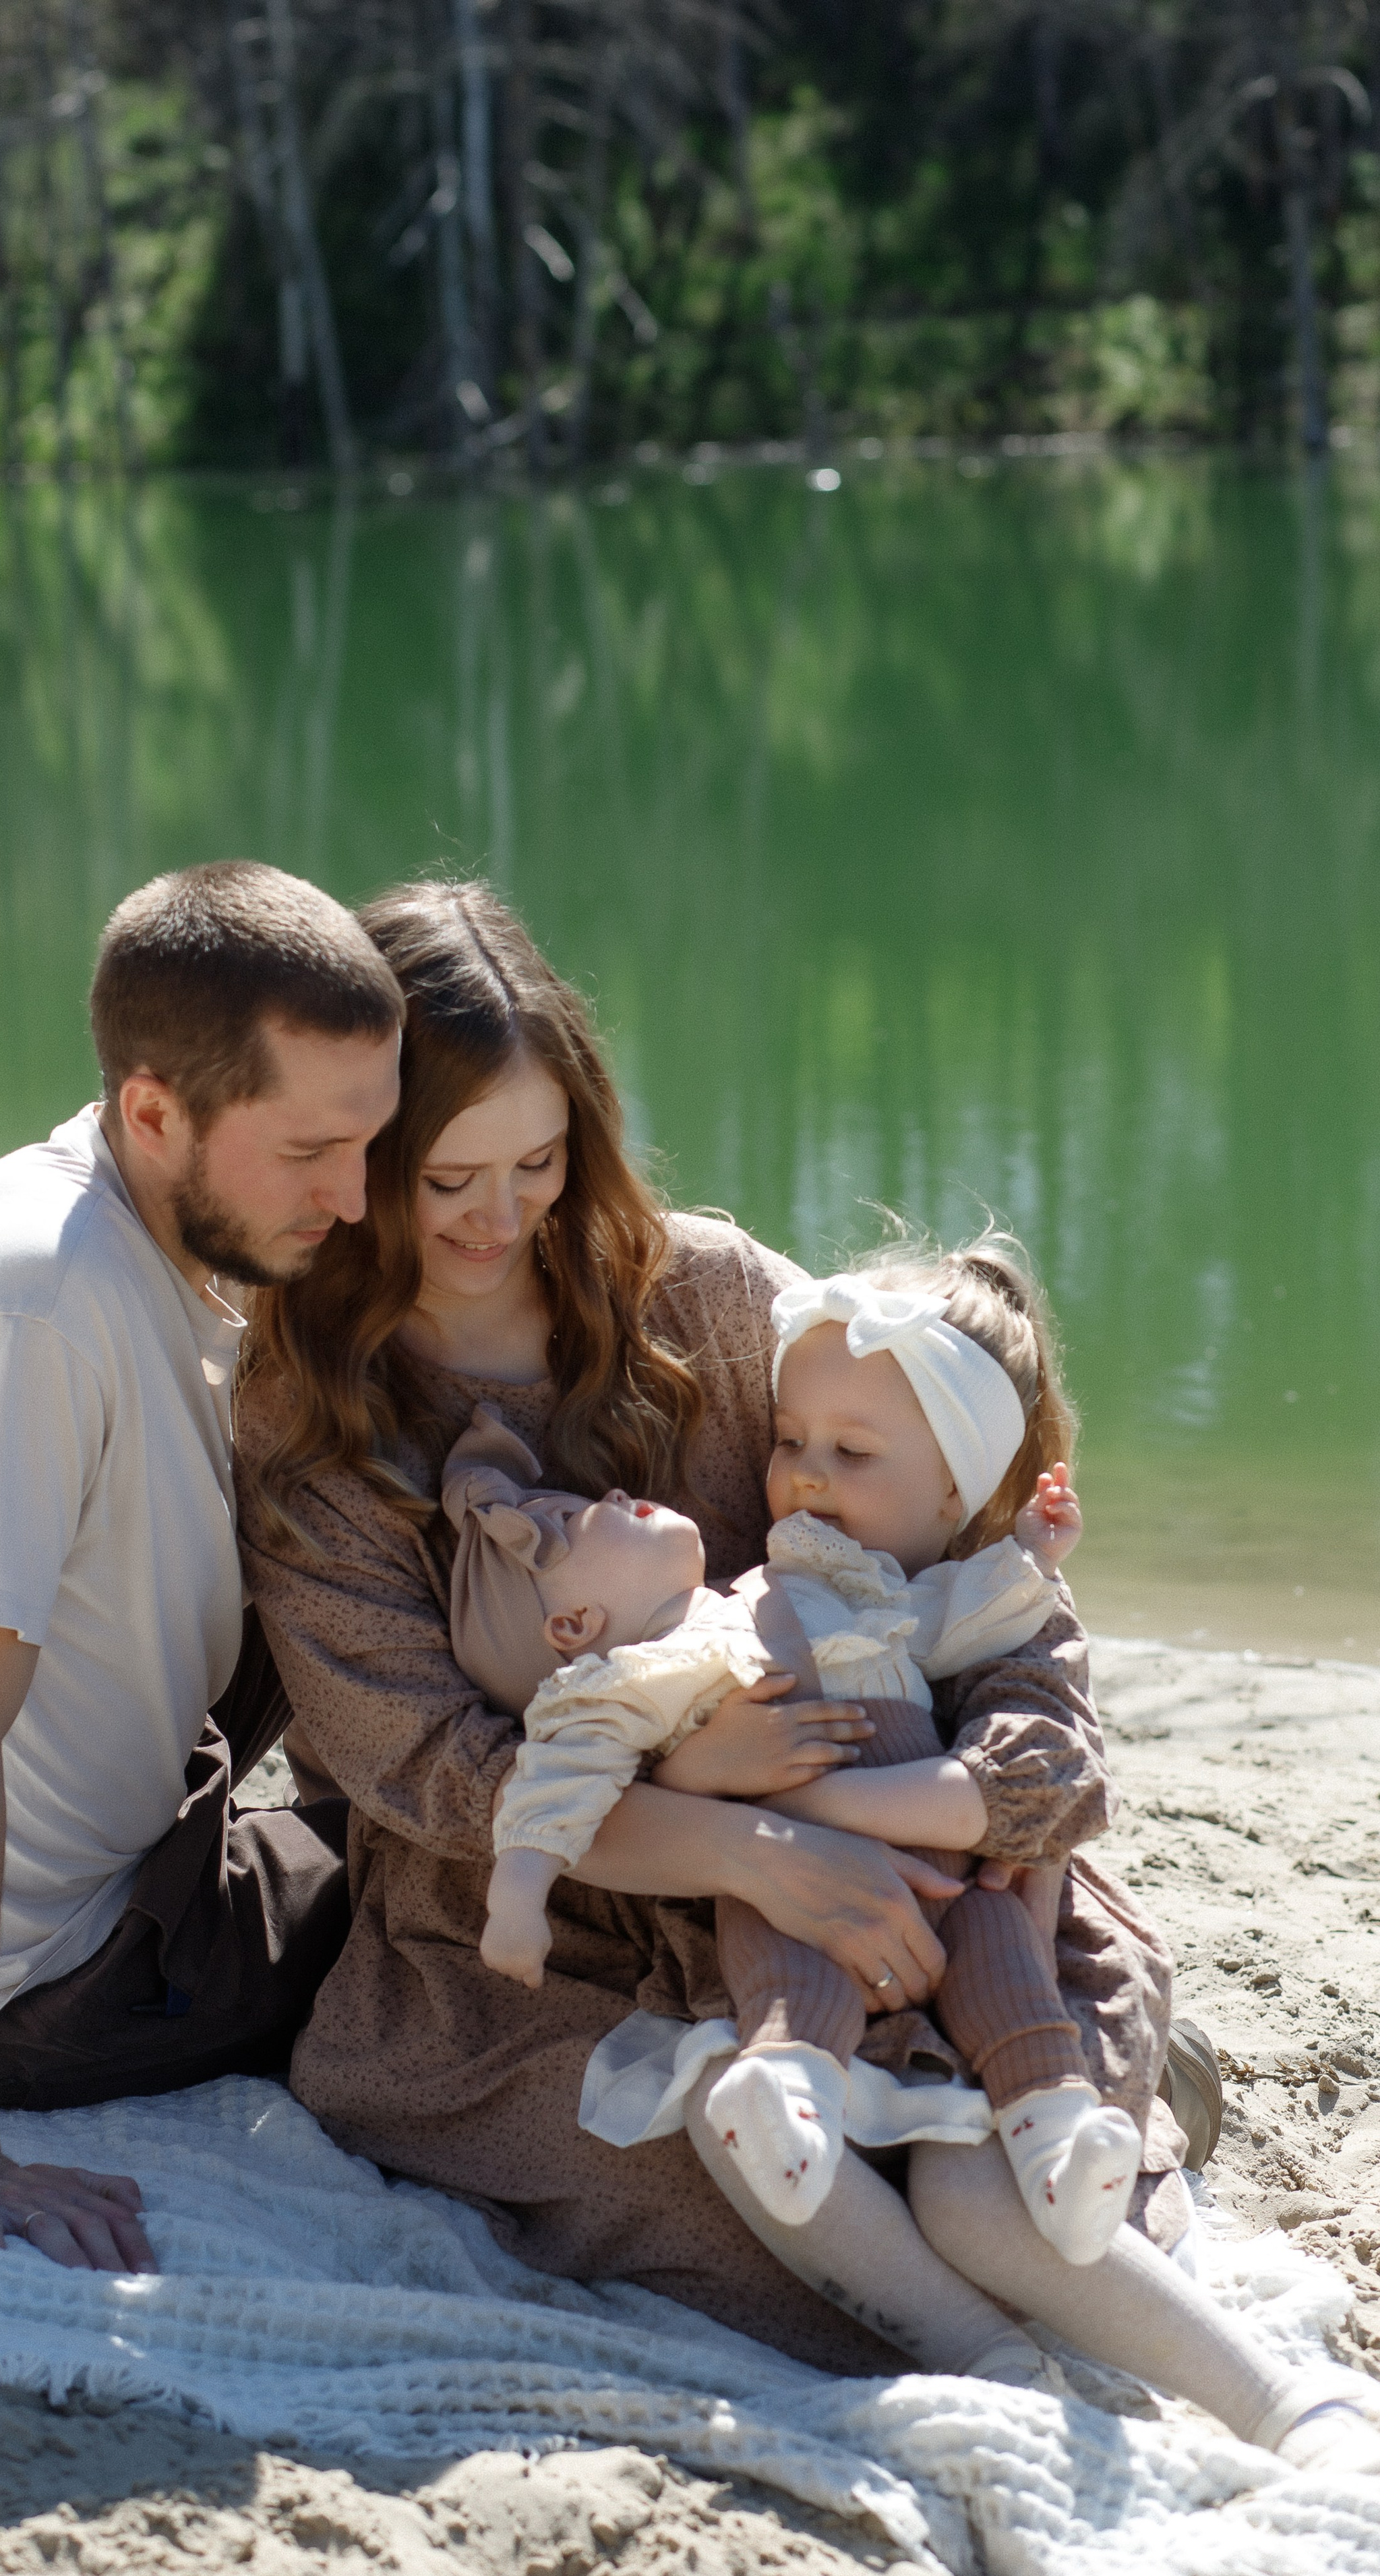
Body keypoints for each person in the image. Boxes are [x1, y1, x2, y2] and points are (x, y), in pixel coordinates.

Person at [235, 877, 1379, 2470]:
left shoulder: (699, 1290)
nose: (501, 1218)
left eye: (541, 1161)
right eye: (446, 1177)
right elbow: (435, 1779)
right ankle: (996, 2372)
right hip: (544, 1906)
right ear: (363, 1156)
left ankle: (1146, 2254)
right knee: (740, 2180)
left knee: (995, 2093)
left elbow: (928, 1450)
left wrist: (1018, 1522)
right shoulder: (319, 1426)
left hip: (881, 1798)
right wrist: (749, 1836)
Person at [0, 862, 402, 2272]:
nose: (356, 1198)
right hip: (58, 1976)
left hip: (116, 1817)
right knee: (439, 1867)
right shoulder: (29, 1304)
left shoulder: (130, 1225)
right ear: (150, 1110)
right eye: (310, 1151)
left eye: (370, 1142)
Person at [444, 1248, 1143, 2271]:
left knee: (1006, 1960)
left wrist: (1033, 1562)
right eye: (789, 1440)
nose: (808, 1471)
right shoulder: (734, 1616)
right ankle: (788, 2087)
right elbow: (581, 1742)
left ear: (955, 1494)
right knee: (774, 1953)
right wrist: (527, 1882)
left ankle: (1058, 2130)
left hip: (941, 1878)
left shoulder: (917, 1608)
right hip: (790, 1886)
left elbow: (983, 1634)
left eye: (853, 1453)